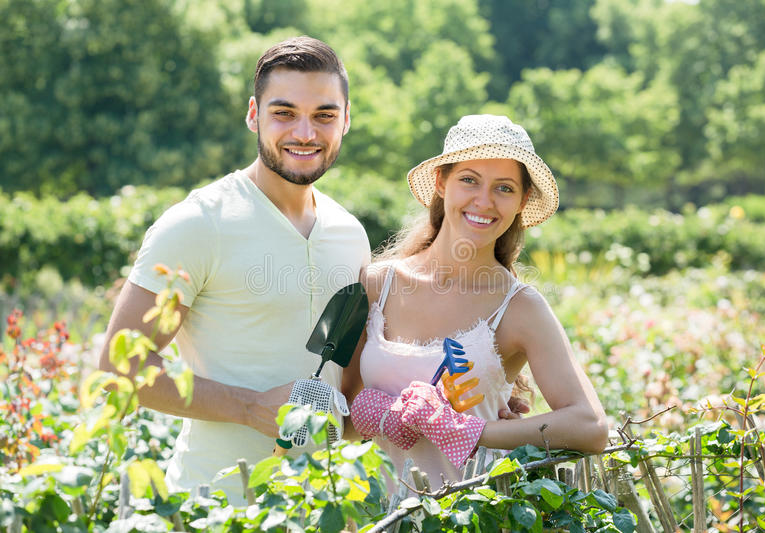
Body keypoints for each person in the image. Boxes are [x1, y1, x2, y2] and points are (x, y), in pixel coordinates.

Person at [98, 36, 371, 501]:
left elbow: (351, 379)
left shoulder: (350, 234)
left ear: (346, 119)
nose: (305, 132)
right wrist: (248, 407)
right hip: (216, 505)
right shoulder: (197, 224)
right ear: (253, 114)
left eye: (324, 115)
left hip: (327, 506)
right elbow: (118, 369)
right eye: (284, 113)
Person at [346, 115, 608, 489]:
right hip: (379, 516)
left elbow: (590, 426)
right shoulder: (378, 285)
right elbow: (340, 415)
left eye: (504, 188)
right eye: (469, 180)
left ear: (522, 201)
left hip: (473, 514)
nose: (484, 202)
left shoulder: (518, 307)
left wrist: (468, 430)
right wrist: (378, 415)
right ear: (441, 182)